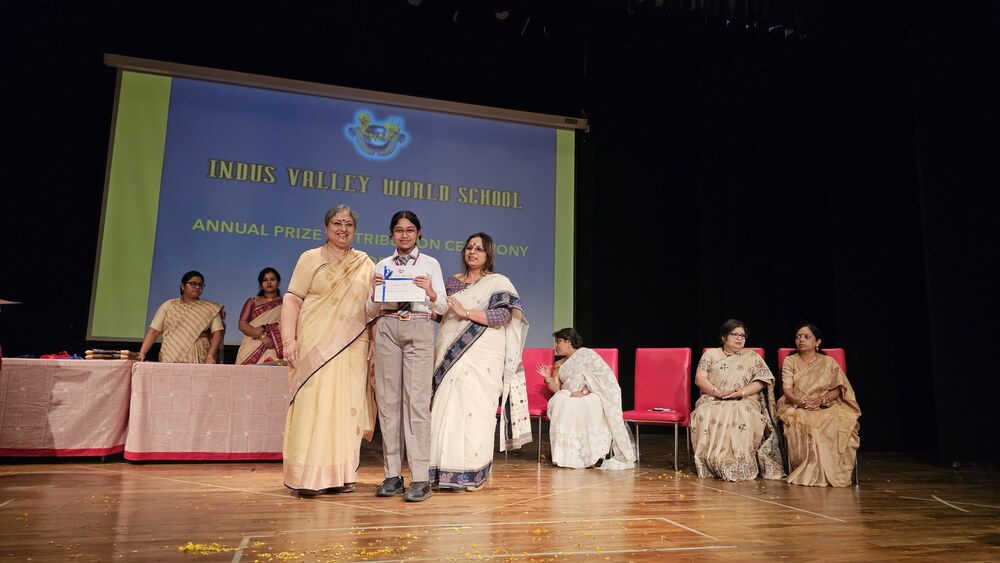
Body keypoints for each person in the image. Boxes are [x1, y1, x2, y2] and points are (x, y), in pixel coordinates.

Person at [280, 205, 378, 498]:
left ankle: (341, 475)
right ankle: (307, 476)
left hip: (354, 345)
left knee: (346, 406)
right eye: (337, 223)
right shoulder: (310, 258)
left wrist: (375, 343)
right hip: (314, 339)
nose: (343, 229)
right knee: (314, 402)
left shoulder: (365, 264)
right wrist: (289, 341)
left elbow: (373, 309)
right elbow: (292, 300)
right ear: (326, 227)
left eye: (348, 224)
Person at [428, 232, 531, 491]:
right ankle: (440, 472)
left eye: (479, 249)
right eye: (469, 247)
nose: (472, 252)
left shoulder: (498, 282)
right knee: (445, 408)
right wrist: (430, 299)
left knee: (475, 412)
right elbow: (442, 315)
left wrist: (465, 312)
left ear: (488, 254)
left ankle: (471, 474)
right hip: (450, 354)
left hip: (482, 356)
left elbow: (502, 316)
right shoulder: (453, 281)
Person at [366, 211, 448, 502]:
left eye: (410, 230)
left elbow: (442, 308)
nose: (404, 235)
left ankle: (420, 478)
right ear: (391, 234)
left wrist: (431, 292)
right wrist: (374, 293)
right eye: (399, 230)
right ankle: (392, 475)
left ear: (418, 233)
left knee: (416, 403)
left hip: (418, 326)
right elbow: (369, 311)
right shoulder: (383, 265)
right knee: (388, 402)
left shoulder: (430, 264)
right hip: (387, 326)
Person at [690, 319, 784, 481]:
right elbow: (700, 379)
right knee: (705, 412)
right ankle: (714, 461)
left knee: (740, 411)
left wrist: (741, 392)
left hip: (744, 399)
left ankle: (738, 463)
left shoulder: (752, 357)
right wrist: (718, 392)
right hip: (713, 398)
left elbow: (763, 380)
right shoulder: (711, 354)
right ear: (723, 337)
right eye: (735, 335)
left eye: (743, 336)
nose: (739, 338)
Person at [537, 328, 636, 470]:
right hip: (569, 395)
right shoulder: (559, 364)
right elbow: (557, 388)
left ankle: (589, 456)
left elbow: (602, 376)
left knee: (585, 403)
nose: (556, 345)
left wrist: (583, 392)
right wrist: (547, 378)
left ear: (568, 342)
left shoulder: (588, 355)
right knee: (561, 400)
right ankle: (566, 456)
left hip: (589, 394)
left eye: (558, 342)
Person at [777, 323, 861, 487]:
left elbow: (838, 389)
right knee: (803, 420)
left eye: (806, 337)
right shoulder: (790, 361)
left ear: (818, 342)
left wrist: (821, 400)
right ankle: (812, 472)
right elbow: (787, 389)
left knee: (837, 421)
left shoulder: (828, 362)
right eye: (798, 337)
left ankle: (834, 472)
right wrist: (799, 402)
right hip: (796, 404)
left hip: (827, 404)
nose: (801, 340)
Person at [138, 271, 225, 363]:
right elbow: (154, 331)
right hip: (170, 354)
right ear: (182, 286)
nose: (197, 287)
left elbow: (217, 332)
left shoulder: (210, 308)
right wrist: (142, 353)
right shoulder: (169, 305)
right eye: (193, 284)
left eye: (200, 285)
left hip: (198, 354)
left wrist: (210, 355)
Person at [234, 267, 284, 365]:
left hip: (275, 345)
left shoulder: (285, 303)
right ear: (261, 284)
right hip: (252, 344)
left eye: (272, 279)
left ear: (278, 283)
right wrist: (262, 336)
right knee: (246, 373)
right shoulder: (253, 301)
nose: (269, 282)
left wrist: (269, 329)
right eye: (265, 280)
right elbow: (242, 324)